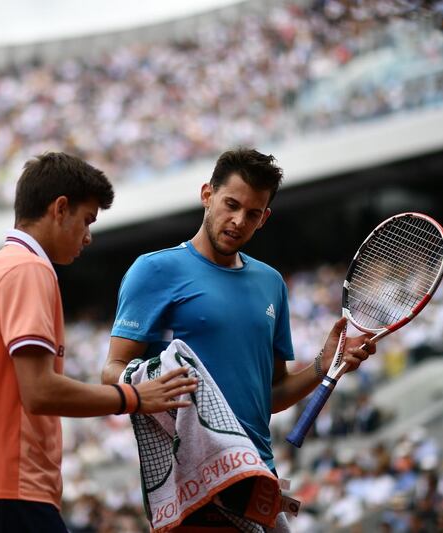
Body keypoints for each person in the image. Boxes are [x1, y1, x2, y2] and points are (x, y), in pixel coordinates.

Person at [100, 147, 376, 529]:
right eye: (231, 204)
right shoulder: (154, 271)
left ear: (265, 218)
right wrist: (148, 388)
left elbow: (271, 397)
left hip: (259, 476)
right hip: (196, 486)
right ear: (206, 195)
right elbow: (112, 370)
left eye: (252, 213)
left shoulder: (271, 283)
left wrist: (321, 367)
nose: (238, 220)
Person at [0, 152, 198, 533]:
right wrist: (135, 398)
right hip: (12, 483)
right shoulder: (29, 271)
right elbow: (39, 392)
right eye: (86, 220)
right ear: (60, 208)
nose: (88, 235)